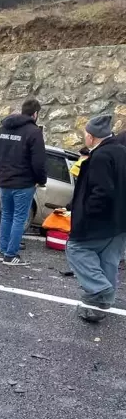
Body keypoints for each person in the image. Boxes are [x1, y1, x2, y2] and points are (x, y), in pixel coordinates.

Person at [66, 114, 126, 323]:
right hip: (120, 220)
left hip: (100, 220)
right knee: (109, 259)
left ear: (91, 136)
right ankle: (103, 304)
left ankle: (99, 287)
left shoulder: (99, 156)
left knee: (76, 248)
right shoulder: (121, 152)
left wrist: (86, 215)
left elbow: (101, 192)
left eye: (85, 134)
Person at [0, 98, 47, 265]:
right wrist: (40, 180)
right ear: (35, 114)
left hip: (4, 182)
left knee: (6, 215)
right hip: (24, 183)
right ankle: (11, 254)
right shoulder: (34, 132)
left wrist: (1, 173)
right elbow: (39, 161)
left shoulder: (2, 129)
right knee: (19, 218)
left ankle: (2, 251)